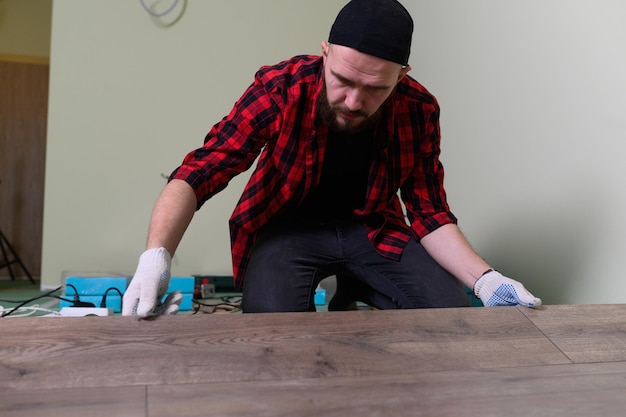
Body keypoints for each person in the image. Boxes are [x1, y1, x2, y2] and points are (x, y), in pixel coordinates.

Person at [122, 0, 541, 317]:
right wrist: (156, 256)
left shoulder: (419, 109)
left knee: (452, 319)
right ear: (325, 53)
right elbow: (200, 172)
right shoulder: (281, 88)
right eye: (342, 80)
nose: (354, 101)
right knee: (272, 333)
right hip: (285, 230)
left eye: (375, 88)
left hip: (374, 230)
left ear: (402, 76)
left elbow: (429, 214)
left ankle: (353, 288)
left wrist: (487, 281)